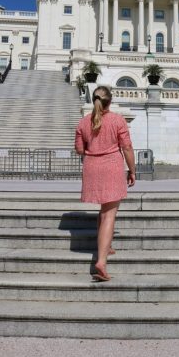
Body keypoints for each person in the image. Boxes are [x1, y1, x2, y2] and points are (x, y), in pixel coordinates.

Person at [75, 86, 136, 282]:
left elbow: (79, 150)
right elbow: (126, 147)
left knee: (103, 209)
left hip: (92, 167)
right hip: (111, 166)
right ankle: (101, 261)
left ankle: (106, 245)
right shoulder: (118, 120)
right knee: (110, 212)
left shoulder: (84, 122)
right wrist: (132, 170)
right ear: (110, 101)